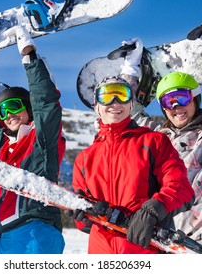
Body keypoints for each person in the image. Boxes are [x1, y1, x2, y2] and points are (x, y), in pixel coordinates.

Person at [119, 20, 202, 254]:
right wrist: (130, 69)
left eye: (182, 98)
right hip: (168, 244)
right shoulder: (158, 139)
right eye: (169, 101)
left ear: (195, 99)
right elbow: (129, 115)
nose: (177, 106)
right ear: (163, 108)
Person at [68, 76, 195, 254]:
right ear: (96, 106)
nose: (115, 102)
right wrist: (83, 218)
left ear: (131, 104)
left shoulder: (154, 142)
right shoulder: (84, 159)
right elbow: (84, 223)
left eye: (122, 94)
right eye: (106, 96)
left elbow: (181, 187)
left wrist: (154, 209)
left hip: (145, 249)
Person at [0, 25, 66, 254]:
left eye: (14, 106)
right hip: (5, 237)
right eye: (3, 110)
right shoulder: (5, 146)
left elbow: (45, 102)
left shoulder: (41, 139)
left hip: (36, 233)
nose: (9, 115)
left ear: (28, 109)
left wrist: (28, 54)